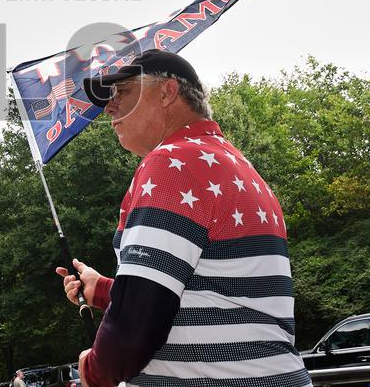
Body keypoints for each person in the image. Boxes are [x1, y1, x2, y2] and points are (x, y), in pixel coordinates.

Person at [57, 50, 312, 387]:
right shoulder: (236, 165)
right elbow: (211, 292)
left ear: (167, 92)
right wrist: (103, 290)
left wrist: (94, 370)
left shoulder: (170, 163)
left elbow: (137, 322)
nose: (109, 107)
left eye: (124, 92)